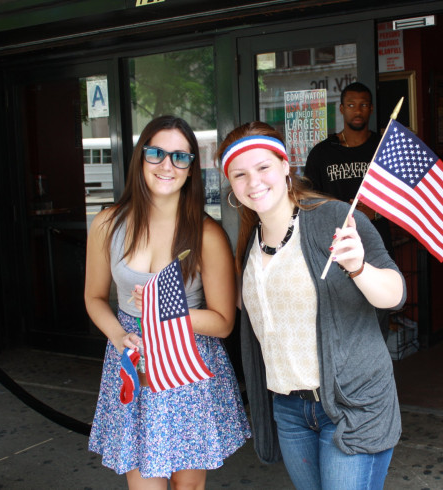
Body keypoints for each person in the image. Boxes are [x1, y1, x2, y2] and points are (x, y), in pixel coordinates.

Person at [219, 121, 406, 489]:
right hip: (289, 409)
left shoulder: (333, 218)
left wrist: (358, 268)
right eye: (239, 174)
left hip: (351, 404)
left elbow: (396, 293)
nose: (253, 182)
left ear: (285, 165)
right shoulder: (249, 240)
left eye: (263, 167)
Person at [85, 115, 250, 489]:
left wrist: (167, 311)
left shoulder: (207, 234)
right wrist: (116, 336)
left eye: (180, 157)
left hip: (186, 365)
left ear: (192, 168)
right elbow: (93, 297)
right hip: (132, 361)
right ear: (140, 159)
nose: (167, 165)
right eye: (156, 153)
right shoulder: (107, 224)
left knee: (186, 486)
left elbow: (224, 321)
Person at [304, 81, 394, 337]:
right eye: (352, 105)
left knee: (378, 315)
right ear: (341, 109)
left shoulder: (383, 148)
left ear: (371, 109)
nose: (358, 110)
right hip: (334, 249)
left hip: (376, 245)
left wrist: (374, 212)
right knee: (340, 320)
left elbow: (401, 195)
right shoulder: (322, 153)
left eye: (364, 105)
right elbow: (309, 202)